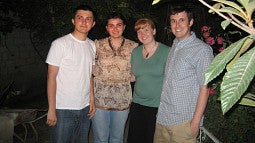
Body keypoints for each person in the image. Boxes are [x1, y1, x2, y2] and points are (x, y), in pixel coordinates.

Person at [154, 5, 214, 143]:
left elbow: (204, 89)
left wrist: (195, 123)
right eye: (173, 21)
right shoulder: (174, 45)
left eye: (182, 20)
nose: (177, 25)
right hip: (163, 118)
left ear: (190, 22)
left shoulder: (202, 50)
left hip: (183, 123)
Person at [45, 5, 96, 143]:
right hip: (63, 109)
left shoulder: (92, 45)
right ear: (73, 20)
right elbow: (51, 78)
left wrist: (92, 100)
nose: (84, 22)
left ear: (93, 23)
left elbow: (89, 75)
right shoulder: (60, 44)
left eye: (88, 19)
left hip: (84, 108)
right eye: (80, 18)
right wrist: (51, 109)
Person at [91, 12, 138, 143]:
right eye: (111, 25)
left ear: (124, 27)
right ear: (106, 28)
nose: (115, 29)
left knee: (117, 137)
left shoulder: (133, 47)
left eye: (118, 25)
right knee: (100, 137)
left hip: (122, 97)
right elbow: (90, 69)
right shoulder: (97, 45)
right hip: (100, 98)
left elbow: (137, 71)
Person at [127, 18, 170, 143]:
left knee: (151, 139)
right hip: (137, 104)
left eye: (146, 30)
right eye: (139, 31)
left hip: (156, 106)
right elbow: (133, 76)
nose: (143, 34)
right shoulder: (135, 52)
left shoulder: (167, 51)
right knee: (135, 138)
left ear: (154, 31)